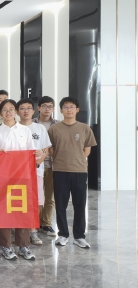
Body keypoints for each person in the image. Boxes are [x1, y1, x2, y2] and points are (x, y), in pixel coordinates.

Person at [0, 99, 41, 261]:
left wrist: (38, 153)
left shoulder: (25, 130)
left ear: (16, 111)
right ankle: (6, 246)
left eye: (11, 109)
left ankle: (23, 246)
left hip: (22, 176)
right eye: (4, 110)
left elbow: (31, 152)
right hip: (3, 177)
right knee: (4, 211)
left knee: (22, 210)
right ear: (0, 113)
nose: (8, 112)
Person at [48, 96, 97, 249]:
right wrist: (60, 158)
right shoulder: (54, 129)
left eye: (72, 107)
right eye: (65, 107)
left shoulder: (85, 128)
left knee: (80, 204)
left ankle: (79, 236)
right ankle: (63, 234)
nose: (69, 109)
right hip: (60, 170)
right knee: (60, 205)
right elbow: (50, 149)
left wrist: (77, 159)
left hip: (79, 171)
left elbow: (87, 149)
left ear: (77, 110)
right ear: (61, 110)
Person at [18, 98, 51, 246]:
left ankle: (33, 230)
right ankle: (18, 230)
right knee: (18, 201)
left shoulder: (40, 128)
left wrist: (37, 163)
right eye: (22, 108)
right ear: (18, 111)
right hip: (17, 173)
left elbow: (46, 149)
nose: (25, 111)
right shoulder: (14, 128)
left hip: (36, 171)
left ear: (33, 110)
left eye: (28, 108)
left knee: (36, 202)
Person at [33, 95, 59, 237]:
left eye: (50, 106)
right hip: (35, 165)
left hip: (52, 165)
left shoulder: (58, 125)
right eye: (44, 106)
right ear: (39, 108)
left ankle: (47, 224)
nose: (47, 109)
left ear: (53, 109)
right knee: (36, 197)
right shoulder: (31, 123)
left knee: (50, 197)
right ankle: (35, 223)